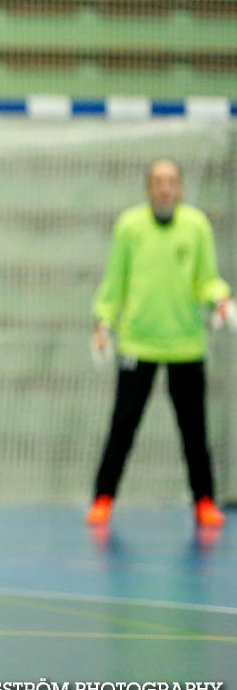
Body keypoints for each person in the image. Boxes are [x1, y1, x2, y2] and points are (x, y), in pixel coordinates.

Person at [86, 158, 231, 530]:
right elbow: (115, 280)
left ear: (180, 188)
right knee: (123, 425)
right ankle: (103, 498)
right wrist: (104, 320)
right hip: (138, 343)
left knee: (194, 431)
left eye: (171, 181)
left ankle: (204, 501)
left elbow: (206, 279)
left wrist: (221, 299)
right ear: (148, 188)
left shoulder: (196, 226)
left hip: (185, 345)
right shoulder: (129, 227)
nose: (165, 188)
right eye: (158, 181)